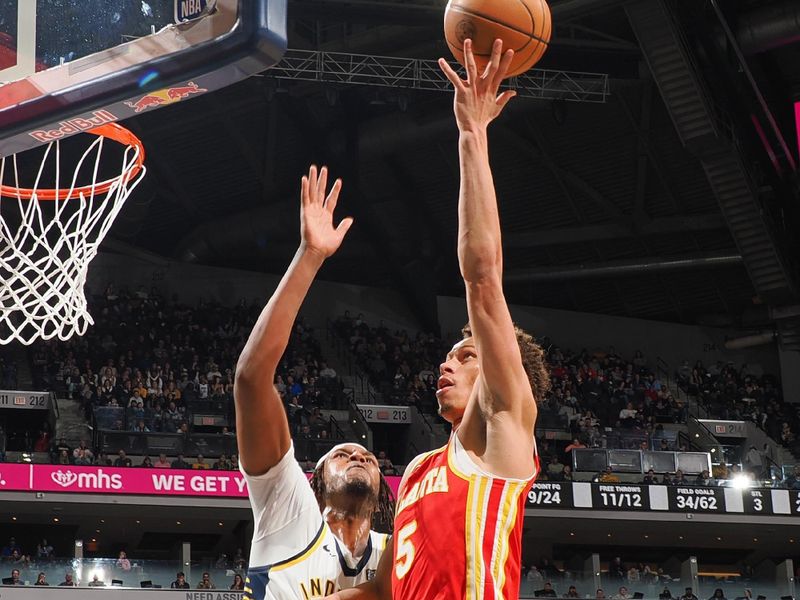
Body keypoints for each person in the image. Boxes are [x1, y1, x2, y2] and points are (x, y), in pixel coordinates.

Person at [324, 38, 549, 600]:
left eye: (466, 354)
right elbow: (384, 588)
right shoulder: (422, 467)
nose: (446, 363)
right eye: (449, 354)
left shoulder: (508, 425)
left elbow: (481, 276)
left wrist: (472, 133)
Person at [234, 165, 394, 599]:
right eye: (343, 453)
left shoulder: (395, 554)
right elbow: (251, 379)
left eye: (370, 458)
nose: (360, 457)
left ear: (382, 491)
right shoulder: (287, 505)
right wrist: (310, 255)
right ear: (317, 478)